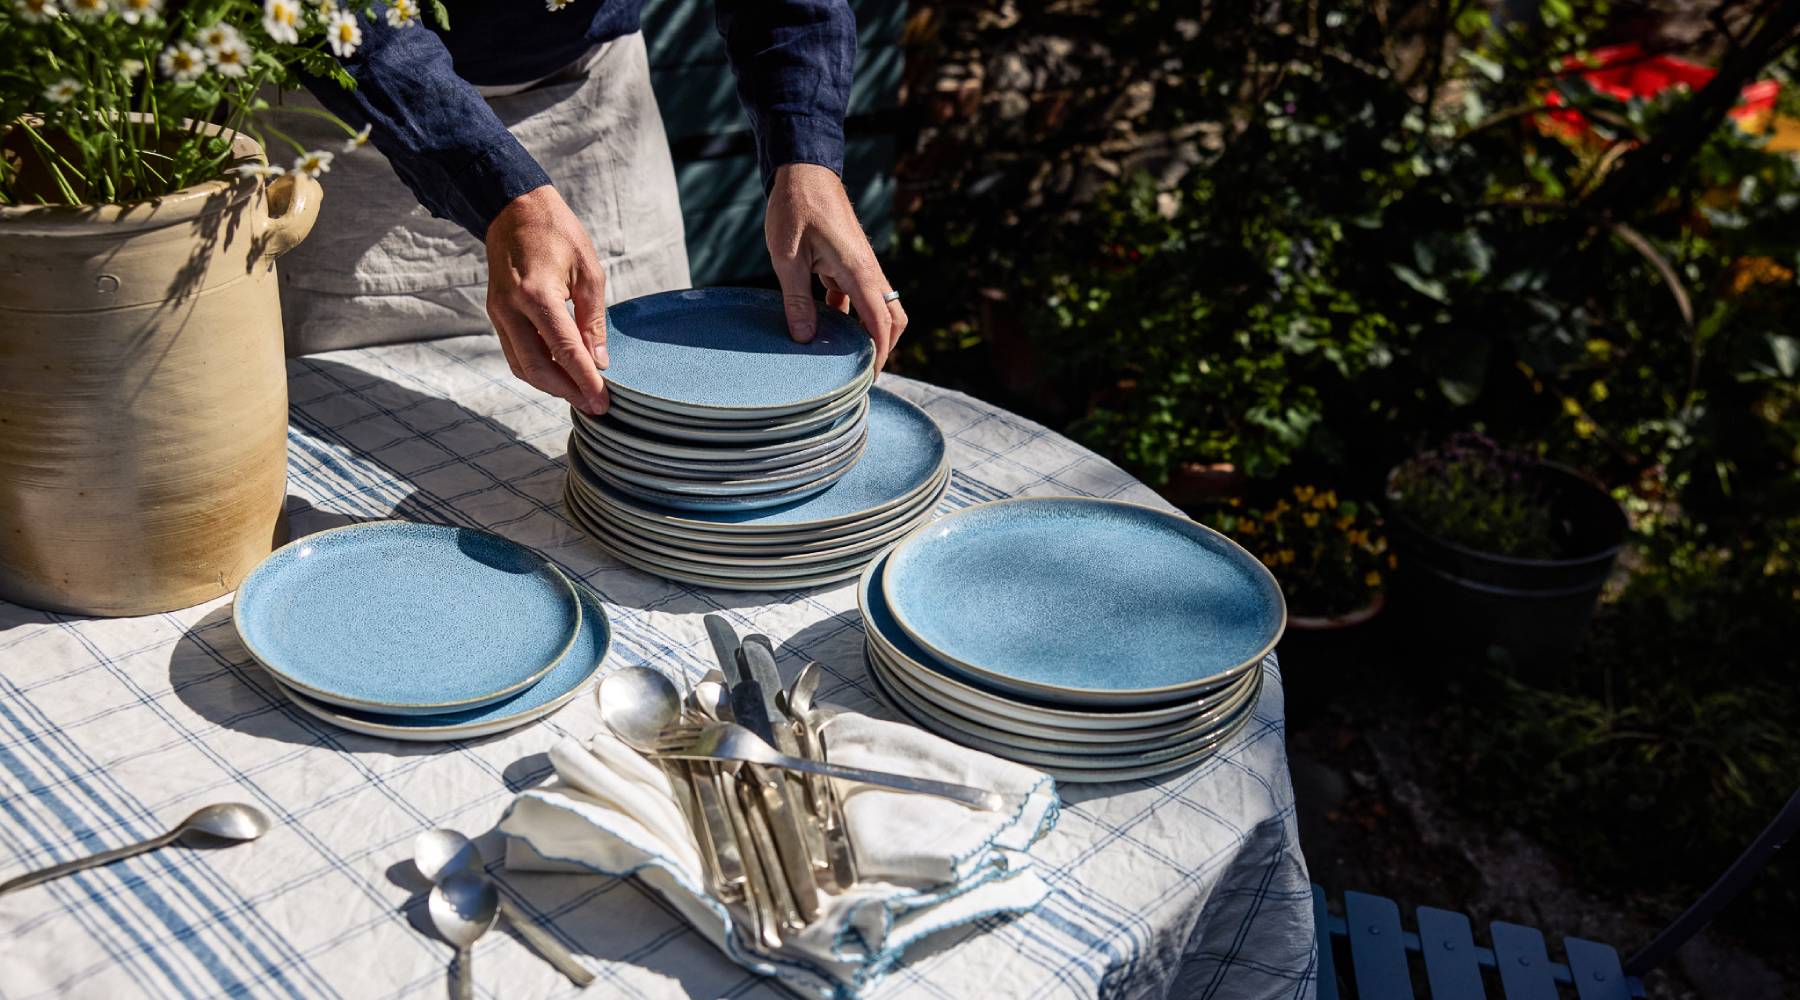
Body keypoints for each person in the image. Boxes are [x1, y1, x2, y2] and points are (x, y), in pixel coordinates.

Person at [278, 0, 905, 416]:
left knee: (658, 419)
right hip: (362, 114)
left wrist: (807, 154)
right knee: (353, 422)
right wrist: (493, 183)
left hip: (592, 100)